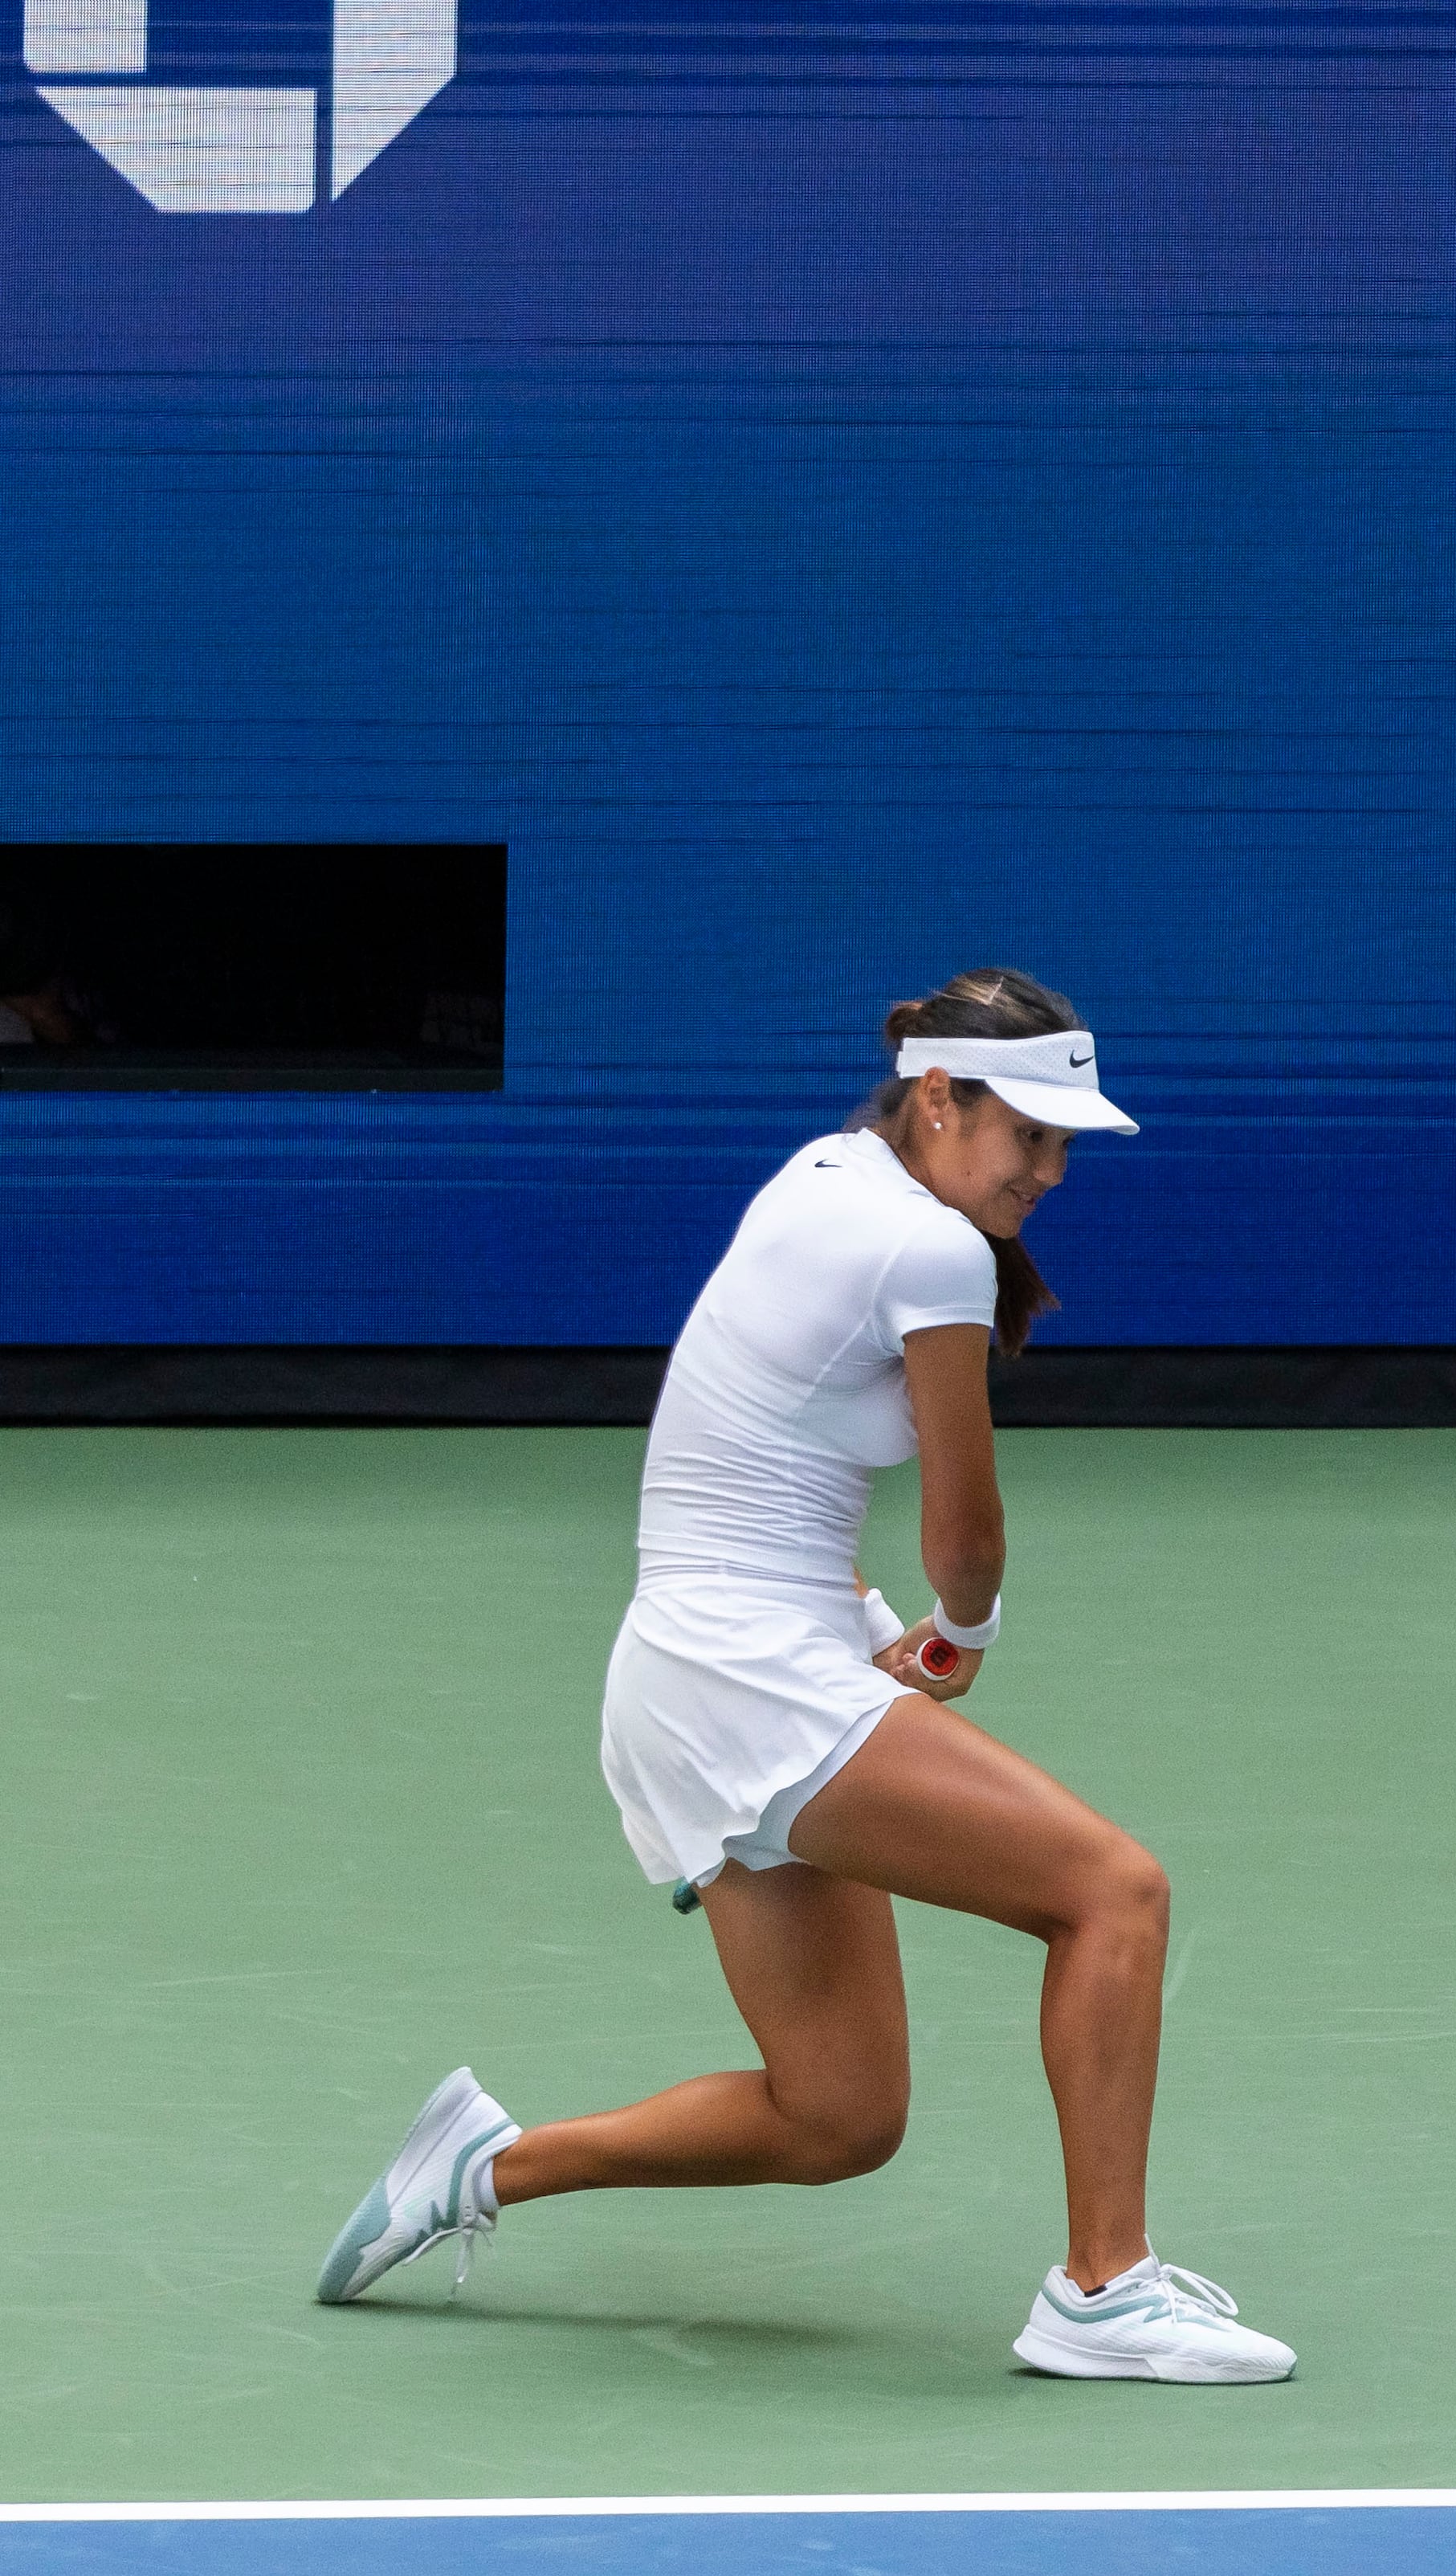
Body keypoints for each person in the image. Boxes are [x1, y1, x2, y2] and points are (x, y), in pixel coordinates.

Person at [315, 970, 1293, 2385]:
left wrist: (867, 1623)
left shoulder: (828, 1171)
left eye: (1065, 1143)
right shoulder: (932, 1250)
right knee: (1112, 1894)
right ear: (941, 1098)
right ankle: (1103, 2289)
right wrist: (954, 1636)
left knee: (840, 2115)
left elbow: (749, 1458)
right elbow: (969, 1533)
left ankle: (486, 2167)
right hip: (746, 1673)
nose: (1050, 1171)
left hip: (691, 1670)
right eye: (1030, 1134)